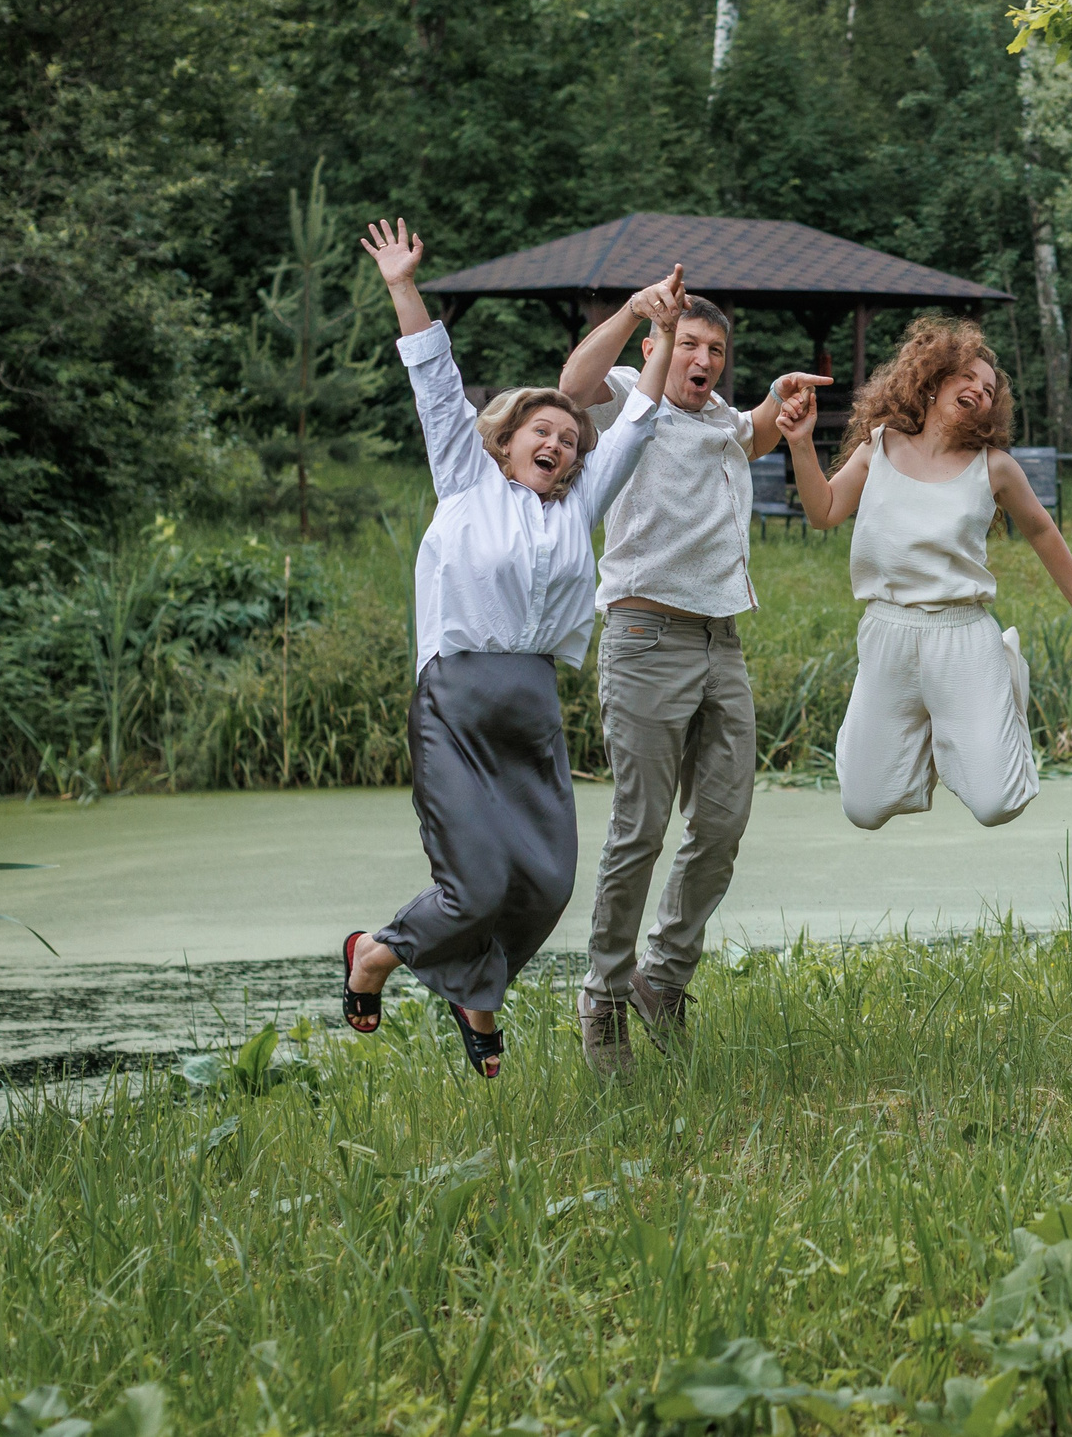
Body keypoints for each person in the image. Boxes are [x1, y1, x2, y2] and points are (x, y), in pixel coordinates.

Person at [339, 219, 670, 1079]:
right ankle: (376, 952)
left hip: (530, 707)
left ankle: (474, 988)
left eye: (569, 439)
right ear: (506, 438)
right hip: (456, 700)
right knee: (476, 883)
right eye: (542, 431)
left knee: (546, 882)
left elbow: (637, 424)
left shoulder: (578, 508)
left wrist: (662, 332)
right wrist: (403, 284)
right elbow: (432, 373)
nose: (557, 443)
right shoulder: (464, 474)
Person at [553, 269, 825, 1078]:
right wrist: (636, 310)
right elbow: (570, 387)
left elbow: (757, 435)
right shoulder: (627, 400)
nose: (703, 359)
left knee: (723, 823)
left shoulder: (719, 420)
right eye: (689, 344)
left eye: (716, 350)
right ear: (656, 349)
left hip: (721, 641)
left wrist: (779, 400)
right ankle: (604, 997)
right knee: (638, 830)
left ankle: (662, 979)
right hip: (643, 637)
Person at [780, 316, 1072, 832]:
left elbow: (1042, 531)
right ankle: (933, 731)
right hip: (888, 633)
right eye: (967, 378)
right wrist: (800, 443)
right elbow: (824, 511)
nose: (980, 390)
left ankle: (995, 695)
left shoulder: (994, 466)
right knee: (864, 808)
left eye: (989, 390)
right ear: (931, 383)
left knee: (997, 804)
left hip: (963, 637)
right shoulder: (879, 447)